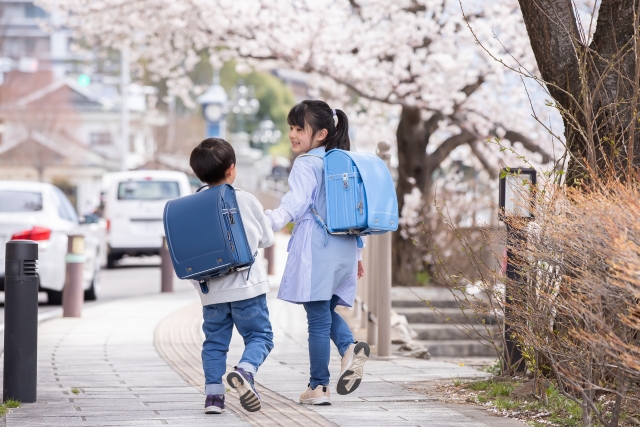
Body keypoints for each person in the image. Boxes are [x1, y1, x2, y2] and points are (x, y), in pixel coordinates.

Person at [265, 100, 369, 406]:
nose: (293, 134)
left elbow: (296, 202)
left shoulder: (307, 163)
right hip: (346, 248)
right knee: (323, 312)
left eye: (299, 129)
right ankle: (348, 349)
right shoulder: (344, 161)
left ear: (321, 133)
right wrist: (359, 256)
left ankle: (319, 386)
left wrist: (269, 220)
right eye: (291, 128)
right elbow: (354, 210)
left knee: (317, 319)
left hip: (318, 246)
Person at [189, 138, 275, 414]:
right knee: (260, 337)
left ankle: (214, 397)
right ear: (232, 169)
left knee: (214, 344)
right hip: (248, 288)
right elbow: (267, 239)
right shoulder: (246, 200)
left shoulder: (191, 207)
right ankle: (246, 371)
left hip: (211, 292)